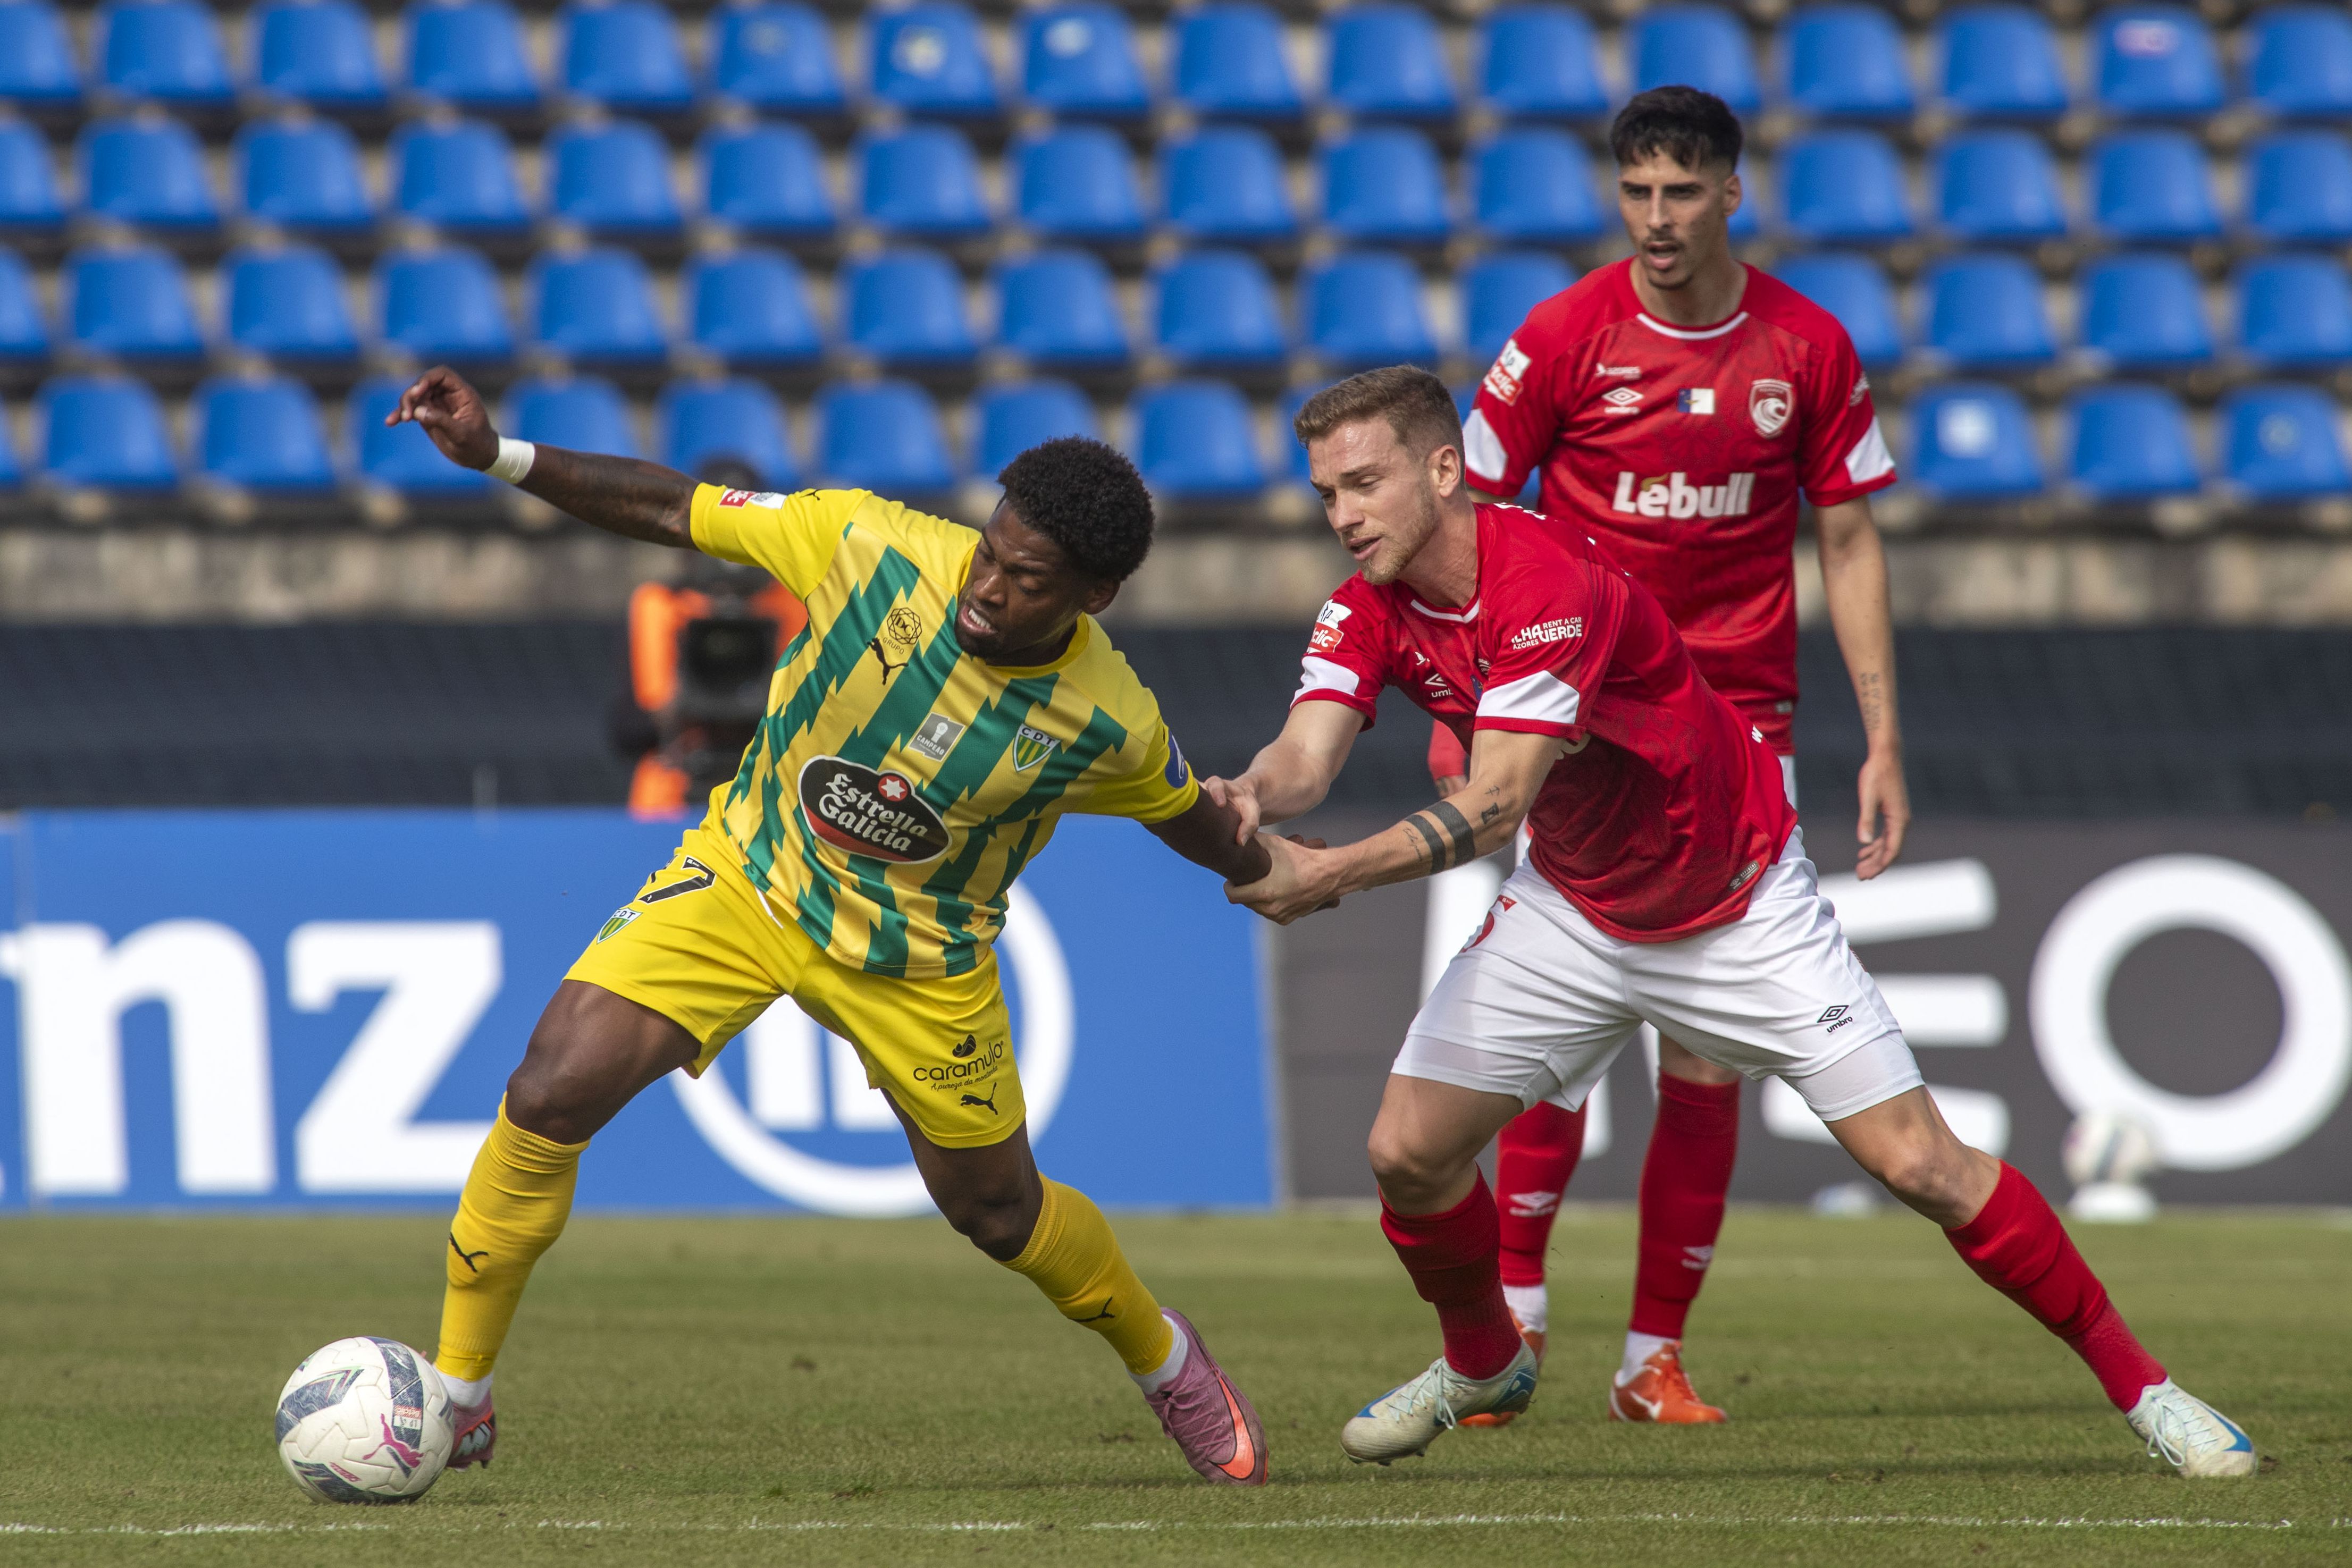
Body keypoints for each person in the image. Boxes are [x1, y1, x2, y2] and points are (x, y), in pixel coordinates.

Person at [1209, 365, 2255, 1478]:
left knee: (1924, 1167)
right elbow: (1308, 751)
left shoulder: (1543, 578)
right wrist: (1251, 797)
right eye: (1325, 494)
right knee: (1405, 1153)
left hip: (1732, 901)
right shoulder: (1363, 602)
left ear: (1440, 467)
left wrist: (1330, 880)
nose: (1342, 516)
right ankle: (1483, 1360)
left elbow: (1495, 801)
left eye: (1361, 484)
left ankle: (2150, 1391)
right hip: (1573, 905)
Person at [383, 366, 1274, 1487]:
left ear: (1091, 597)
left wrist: (1269, 865)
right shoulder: (867, 544)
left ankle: (1166, 1357)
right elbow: (676, 508)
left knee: (998, 1212)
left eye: (1026, 578)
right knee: (551, 1085)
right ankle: (459, 1396)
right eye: (990, 550)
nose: (987, 587)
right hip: (747, 879)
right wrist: (500, 454)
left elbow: (1190, 815)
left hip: (920, 958)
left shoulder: (1112, 719)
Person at [1423, 85, 1913, 1424]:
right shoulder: (1564, 336)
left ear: (1729, 194)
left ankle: (1651, 1357)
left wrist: (1878, 735)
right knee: (1556, 1043)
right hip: (1576, 721)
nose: (1655, 218)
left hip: (1742, 734)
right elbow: (1457, 517)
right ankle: (1513, 1323)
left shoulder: (1805, 347)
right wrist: (1456, 701)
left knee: (1707, 1054)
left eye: (1681, 193)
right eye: (1635, 191)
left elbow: (1851, 539)